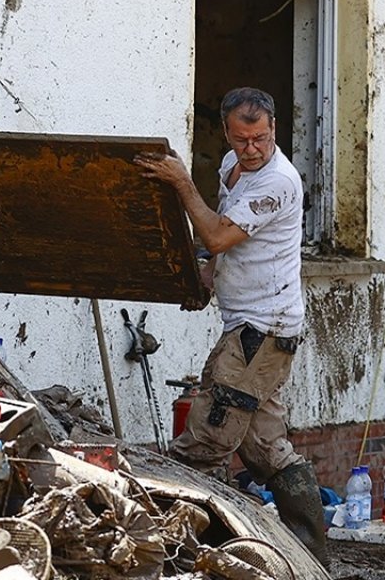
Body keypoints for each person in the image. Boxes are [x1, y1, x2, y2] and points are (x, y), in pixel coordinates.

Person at [135, 87, 326, 564]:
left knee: (205, 440)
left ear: (274, 129)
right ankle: (314, 556)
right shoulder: (231, 166)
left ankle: (178, 553)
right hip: (253, 326)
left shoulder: (277, 182)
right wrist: (205, 278)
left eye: (260, 138)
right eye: (242, 140)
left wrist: (182, 183)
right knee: (264, 448)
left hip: (261, 332)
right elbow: (230, 241)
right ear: (227, 132)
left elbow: (218, 236)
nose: (252, 149)